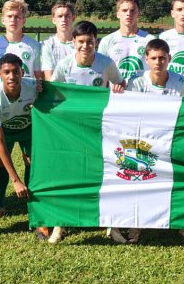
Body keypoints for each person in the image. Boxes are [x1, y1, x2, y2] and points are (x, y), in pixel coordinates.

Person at [50, 20, 126, 244]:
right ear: (73, 42)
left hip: (99, 128)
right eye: (81, 42)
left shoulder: (106, 63)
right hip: (71, 130)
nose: (85, 46)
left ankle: (112, 225)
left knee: (106, 174)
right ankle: (60, 224)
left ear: (96, 42)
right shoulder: (64, 65)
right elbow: (53, 93)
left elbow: (121, 85)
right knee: (68, 175)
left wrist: (119, 88)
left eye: (90, 42)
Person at [125, 38, 184, 245]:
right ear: (146, 59)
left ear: (169, 59)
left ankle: (183, 224)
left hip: (172, 140)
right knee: (139, 183)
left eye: (162, 58)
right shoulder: (136, 82)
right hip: (143, 141)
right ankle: (136, 224)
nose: (158, 62)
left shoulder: (180, 82)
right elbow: (127, 113)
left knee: (178, 183)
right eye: (154, 58)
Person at [0, 0, 43, 220]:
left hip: (28, 110)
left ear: (24, 20)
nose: (13, 20)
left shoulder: (34, 45)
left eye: (18, 16)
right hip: (2, 110)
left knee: (32, 159)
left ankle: (32, 201)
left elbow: (39, 78)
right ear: (2, 19)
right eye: (9, 16)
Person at [0, 54, 36, 240]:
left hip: (29, 130)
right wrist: (15, 180)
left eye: (16, 72)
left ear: (22, 73)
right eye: (7, 72)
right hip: (4, 133)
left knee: (34, 165)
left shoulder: (34, 87)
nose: (12, 76)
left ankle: (36, 217)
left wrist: (44, 89)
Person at [98, 0, 155, 82]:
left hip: (142, 90)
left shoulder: (150, 40)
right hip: (115, 90)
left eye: (132, 10)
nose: (128, 14)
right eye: (124, 10)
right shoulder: (107, 41)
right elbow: (100, 71)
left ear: (138, 14)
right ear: (118, 14)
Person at [41, 2, 76, 81]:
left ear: (73, 18)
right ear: (53, 20)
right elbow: (49, 78)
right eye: (60, 16)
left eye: (67, 16)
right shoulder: (47, 44)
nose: (63, 19)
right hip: (56, 87)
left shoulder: (81, 43)